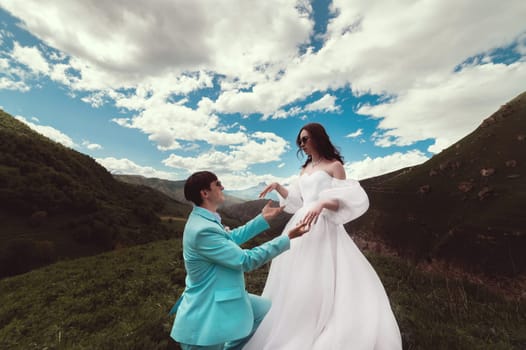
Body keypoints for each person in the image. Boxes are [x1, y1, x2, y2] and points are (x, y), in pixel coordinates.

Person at [243, 123, 402, 349]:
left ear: (318, 138)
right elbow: (297, 200)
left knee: (322, 275)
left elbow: (338, 202)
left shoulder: (335, 166)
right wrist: (279, 187)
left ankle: (326, 324)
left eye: (305, 139)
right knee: (297, 280)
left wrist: (320, 203)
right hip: (300, 224)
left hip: (323, 225)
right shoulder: (305, 168)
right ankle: (297, 323)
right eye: (300, 141)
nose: (302, 144)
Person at [170, 171, 310, 350]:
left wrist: (262, 219)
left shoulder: (204, 220)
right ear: (205, 193)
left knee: (266, 312)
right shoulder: (202, 230)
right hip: (204, 317)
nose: (223, 187)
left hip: (221, 297)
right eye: (218, 184)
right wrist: (286, 239)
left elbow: (231, 238)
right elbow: (246, 260)